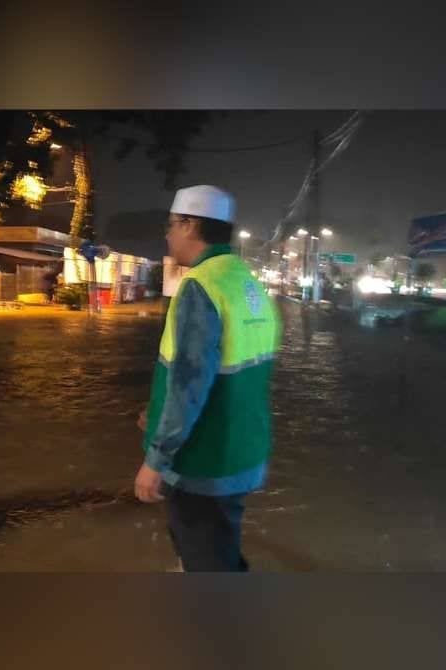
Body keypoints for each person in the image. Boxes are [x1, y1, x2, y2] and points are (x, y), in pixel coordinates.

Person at [134, 185, 282, 571]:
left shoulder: (201, 286)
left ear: (189, 224)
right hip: (244, 448)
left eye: (171, 225)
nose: (167, 235)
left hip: (205, 459)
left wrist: (155, 459)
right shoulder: (247, 283)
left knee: (207, 562)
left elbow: (189, 385)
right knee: (220, 551)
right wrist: (155, 411)